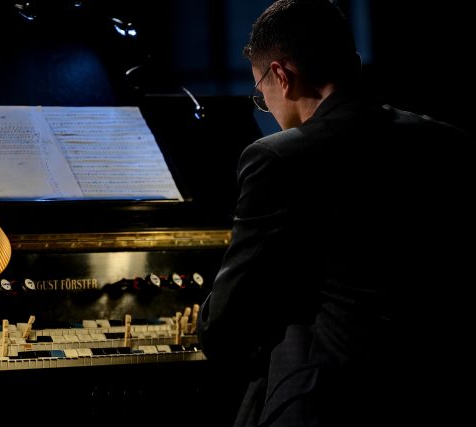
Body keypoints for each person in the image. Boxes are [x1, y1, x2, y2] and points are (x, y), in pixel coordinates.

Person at [195, 1, 474, 426]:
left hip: (325, 400)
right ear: (354, 63)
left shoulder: (276, 158)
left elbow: (226, 325)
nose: (265, 106)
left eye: (260, 93)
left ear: (281, 77)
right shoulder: (448, 142)